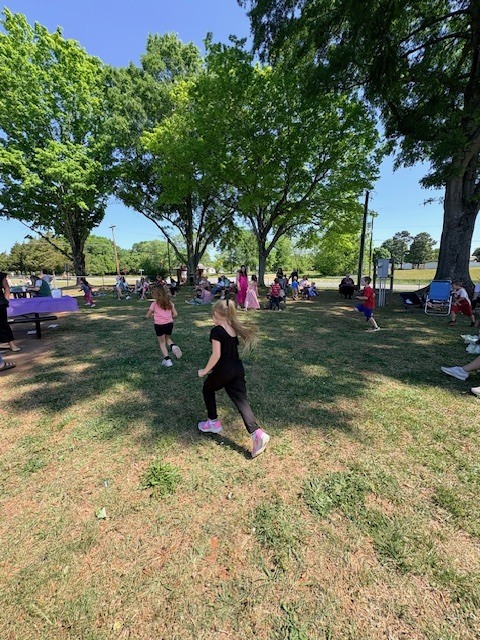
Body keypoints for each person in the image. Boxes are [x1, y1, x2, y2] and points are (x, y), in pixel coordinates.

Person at [197, 299, 270, 458]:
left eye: (212, 314)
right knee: (241, 401)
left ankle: (213, 422)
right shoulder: (232, 328)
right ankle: (257, 433)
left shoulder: (216, 330)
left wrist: (204, 371)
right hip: (237, 369)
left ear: (216, 314)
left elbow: (216, 355)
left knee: (207, 388)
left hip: (224, 370)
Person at [146, 285, 182, 367]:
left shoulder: (154, 304)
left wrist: (152, 315)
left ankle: (168, 361)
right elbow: (175, 314)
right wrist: (168, 318)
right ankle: (173, 346)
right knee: (167, 338)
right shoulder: (169, 302)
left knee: (162, 343)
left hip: (159, 325)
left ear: (155, 294)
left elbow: (147, 316)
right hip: (169, 324)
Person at [0, 273, 20, 352]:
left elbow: (6, 288)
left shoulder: (1, 276)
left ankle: (11, 344)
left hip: (0, 303)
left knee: (4, 324)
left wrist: (6, 300)